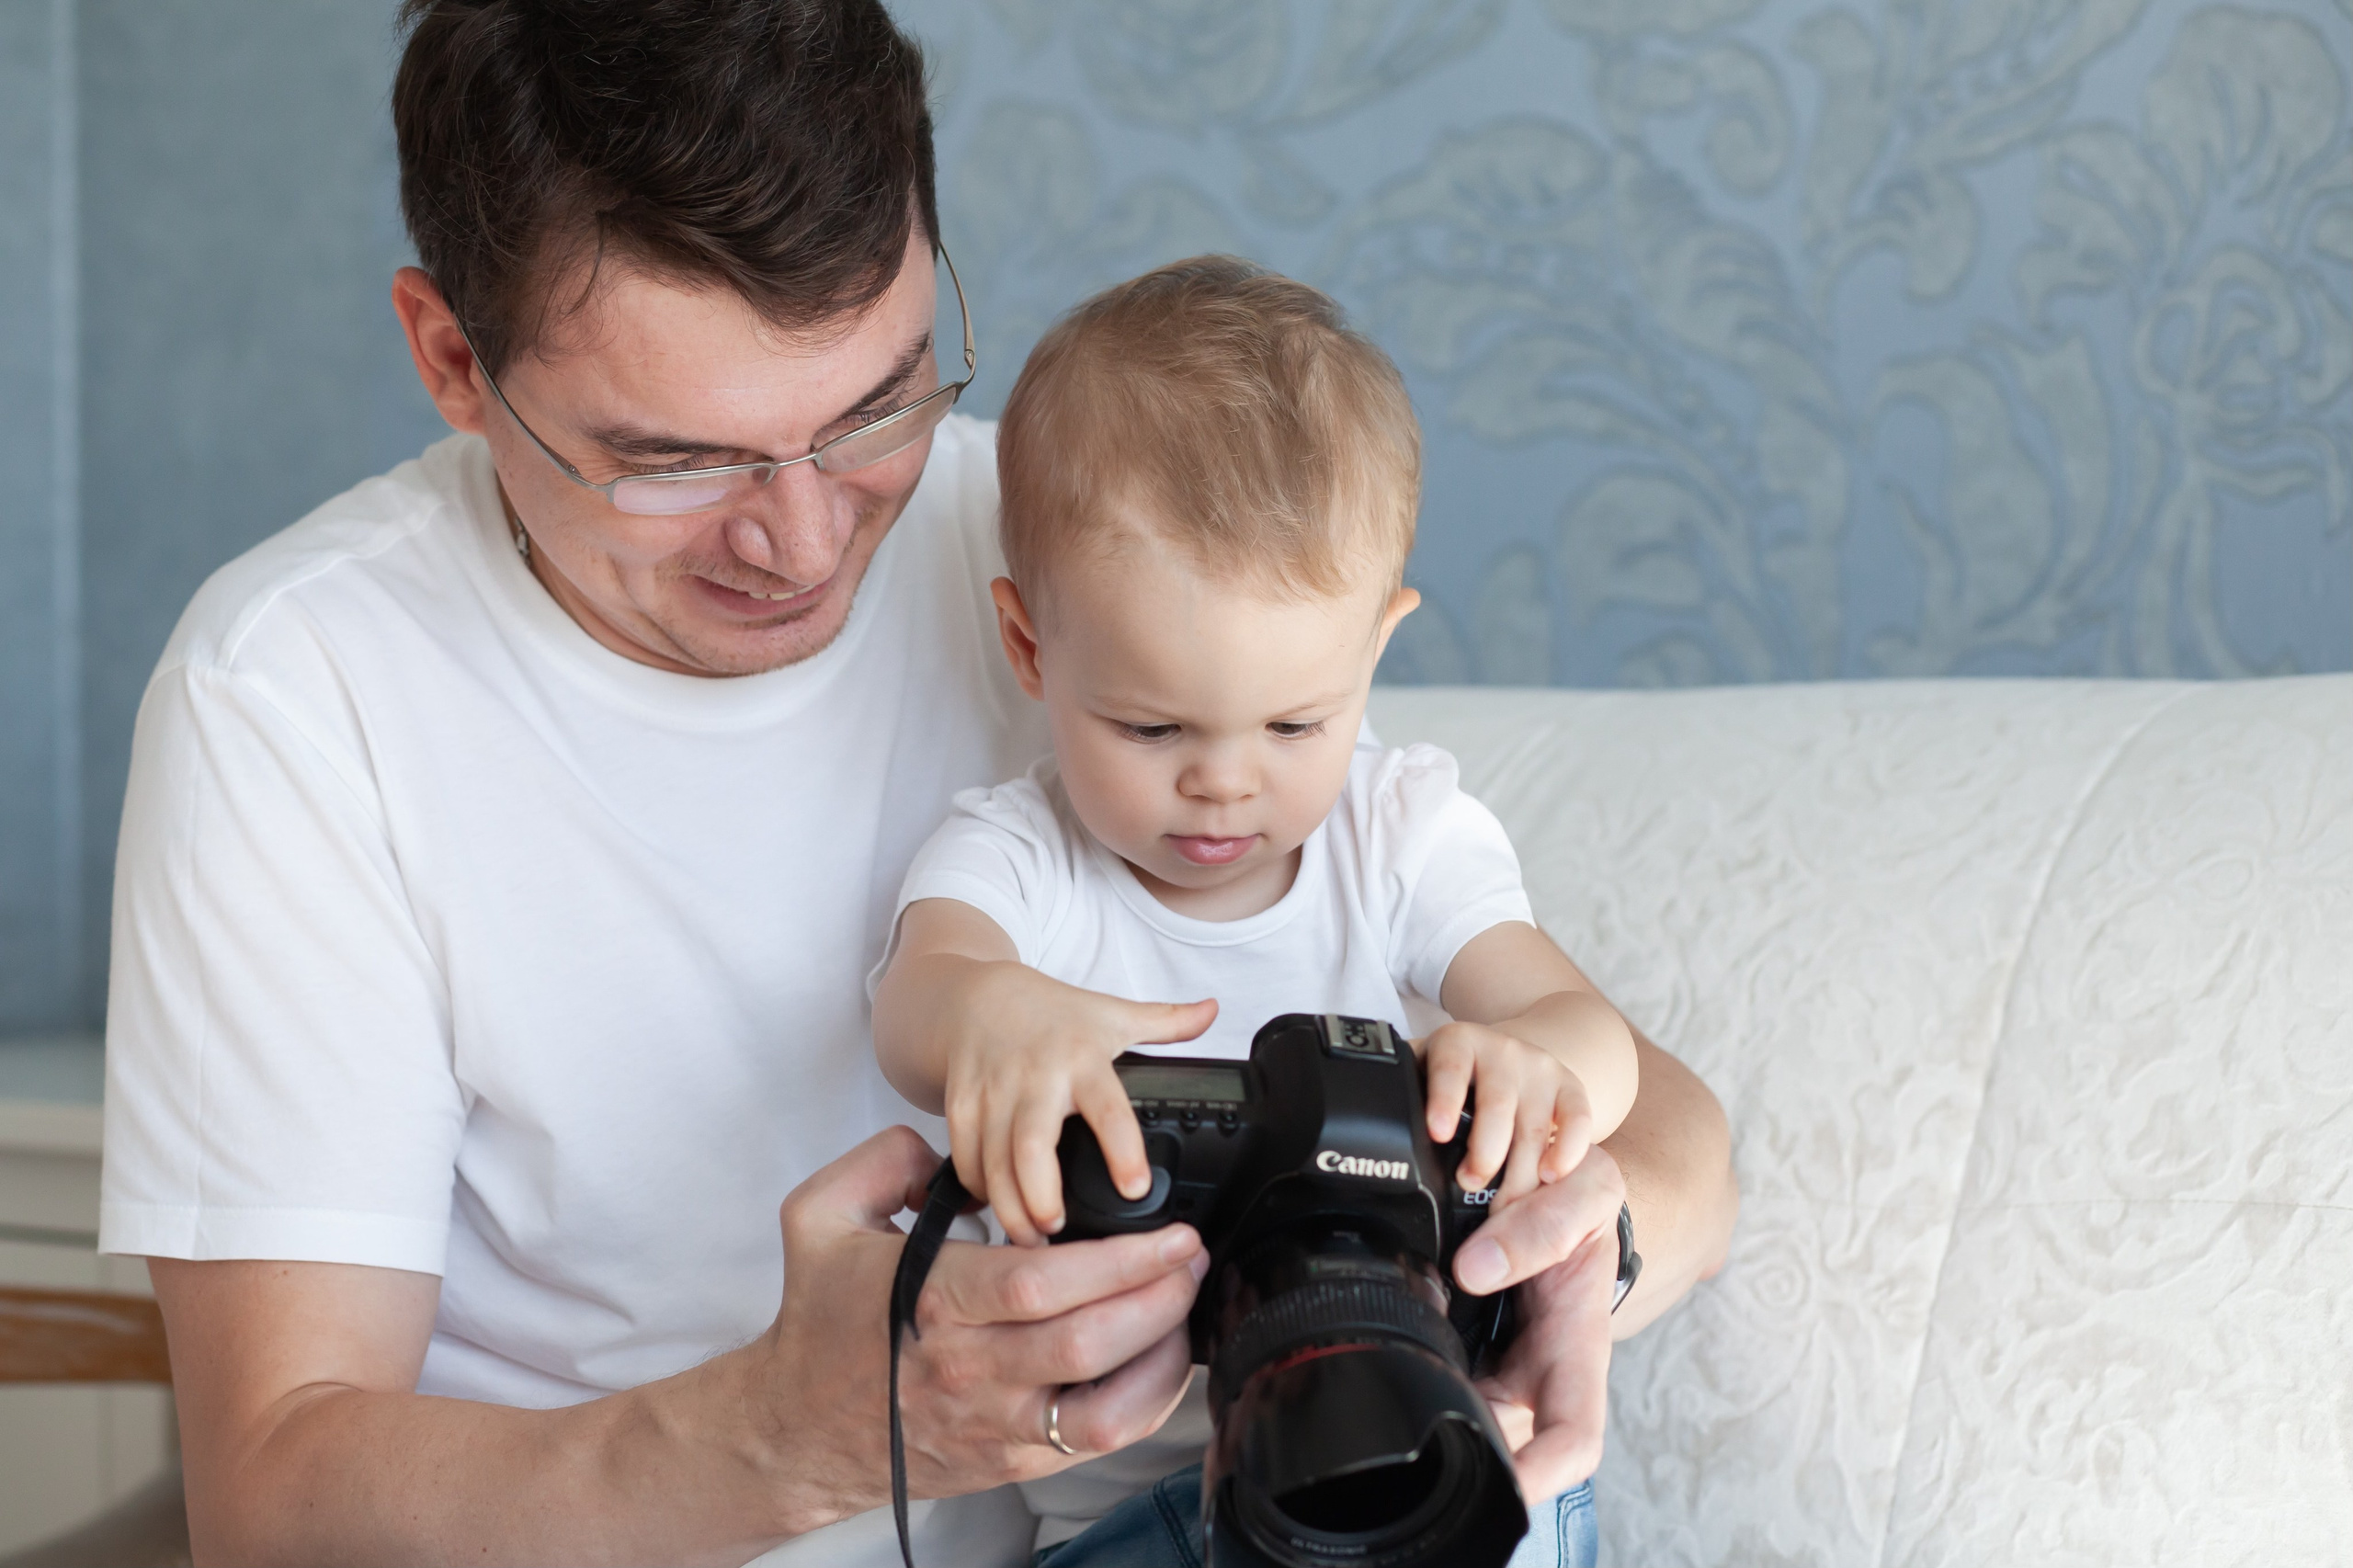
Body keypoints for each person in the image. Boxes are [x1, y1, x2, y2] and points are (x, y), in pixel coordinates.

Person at [95, 3, 1738, 1563]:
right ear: (453, 360)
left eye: (876, 399)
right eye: (675, 460)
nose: (803, 540)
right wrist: (785, 1432)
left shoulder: (1084, 548)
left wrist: (1538, 1272)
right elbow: (276, 1495)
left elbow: (1661, 1133)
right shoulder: (299, 696)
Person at [870, 258, 1643, 1566]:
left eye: (1296, 721)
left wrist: (1538, 1063)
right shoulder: (1019, 858)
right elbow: (918, 999)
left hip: (1427, 1457)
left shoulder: (1398, 835)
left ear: (1376, 646)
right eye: (1150, 723)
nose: (1224, 777)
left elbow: (1588, 1029)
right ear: (1029, 648)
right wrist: (991, 1016)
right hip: (1137, 1514)